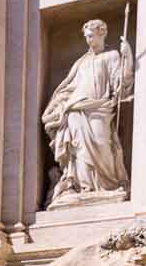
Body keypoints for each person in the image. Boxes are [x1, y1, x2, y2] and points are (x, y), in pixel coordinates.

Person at [42, 17, 133, 206]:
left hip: (99, 108)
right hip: (75, 110)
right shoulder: (81, 62)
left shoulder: (112, 56)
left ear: (102, 33)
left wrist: (128, 58)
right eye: (86, 37)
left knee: (102, 144)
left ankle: (107, 186)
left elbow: (121, 85)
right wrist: (57, 106)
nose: (88, 40)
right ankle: (85, 188)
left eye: (91, 36)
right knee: (80, 150)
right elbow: (68, 87)